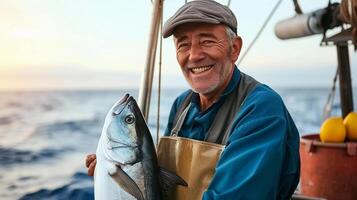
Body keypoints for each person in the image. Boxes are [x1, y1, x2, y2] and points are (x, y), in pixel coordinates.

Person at [86, 0, 300, 199]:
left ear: (234, 49)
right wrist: (115, 173)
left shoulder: (261, 108)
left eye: (206, 41)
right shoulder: (182, 105)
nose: (194, 55)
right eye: (183, 45)